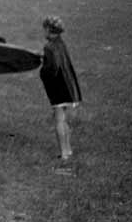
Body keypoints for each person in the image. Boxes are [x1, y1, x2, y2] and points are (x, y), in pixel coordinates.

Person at [39, 16, 82, 161]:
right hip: (68, 86)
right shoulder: (61, 43)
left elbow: (52, 69)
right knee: (63, 120)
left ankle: (63, 153)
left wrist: (42, 70)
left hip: (58, 88)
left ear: (49, 30)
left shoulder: (48, 47)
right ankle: (68, 150)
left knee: (59, 120)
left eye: (44, 29)